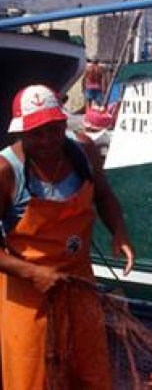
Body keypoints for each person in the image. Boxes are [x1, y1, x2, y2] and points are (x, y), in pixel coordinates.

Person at [0, 84, 134, 390]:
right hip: (28, 294)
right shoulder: (6, 171)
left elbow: (104, 195)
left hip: (78, 283)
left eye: (54, 129)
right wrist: (32, 272)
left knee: (90, 373)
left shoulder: (82, 151)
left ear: (63, 123)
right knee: (31, 379)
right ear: (20, 132)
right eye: (36, 133)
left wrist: (120, 233)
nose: (47, 140)